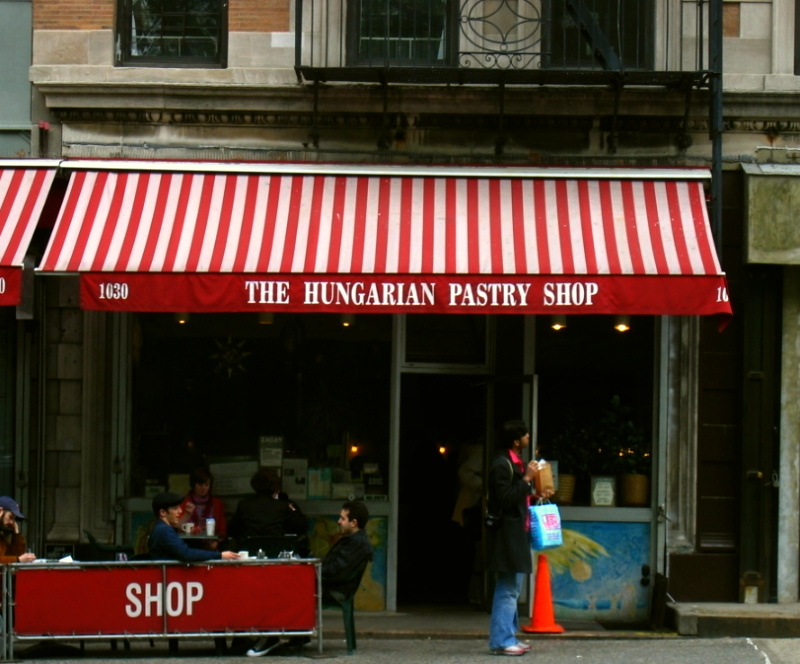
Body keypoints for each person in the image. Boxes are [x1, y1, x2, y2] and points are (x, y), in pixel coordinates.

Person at [247, 500, 373, 658]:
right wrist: (310, 563)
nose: (339, 521)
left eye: (342, 518)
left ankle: (271, 636)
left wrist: (309, 569)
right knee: (287, 584)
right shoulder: (354, 541)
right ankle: (296, 634)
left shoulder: (356, 544)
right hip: (333, 585)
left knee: (283, 588)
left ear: (354, 523)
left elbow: (334, 572)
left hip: (335, 589)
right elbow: (334, 568)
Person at [487, 419, 552, 656]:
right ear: (516, 441)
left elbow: (517, 497)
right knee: (507, 588)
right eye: (525, 435)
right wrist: (526, 480)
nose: (528, 438)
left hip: (519, 532)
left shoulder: (517, 463)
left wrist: (533, 494)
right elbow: (504, 498)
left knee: (513, 587)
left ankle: (508, 635)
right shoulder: (501, 465)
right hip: (507, 534)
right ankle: (502, 640)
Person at [148, 492, 239, 563]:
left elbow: (176, 526)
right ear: (163, 512)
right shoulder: (164, 530)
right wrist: (220, 555)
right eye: (175, 508)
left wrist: (187, 514)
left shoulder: (161, 528)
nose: (180, 511)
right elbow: (187, 554)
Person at [228, 469, 307, 544]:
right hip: (277, 549)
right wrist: (290, 503)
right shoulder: (285, 505)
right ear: (275, 485)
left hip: (250, 550)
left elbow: (232, 530)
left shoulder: (244, 505)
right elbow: (301, 525)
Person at [179, 467, 227, 550]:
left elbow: (222, 530)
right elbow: (177, 527)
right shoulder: (184, 502)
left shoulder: (216, 503)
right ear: (193, 485)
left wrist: (216, 542)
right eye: (200, 485)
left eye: (206, 485)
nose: (203, 488)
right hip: (187, 546)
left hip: (211, 546)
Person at [0, 496, 35, 563]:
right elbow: (17, 558)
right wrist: (17, 559)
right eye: (10, 517)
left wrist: (16, 533)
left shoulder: (2, 539)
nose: (12, 522)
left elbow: (16, 554)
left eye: (14, 519)